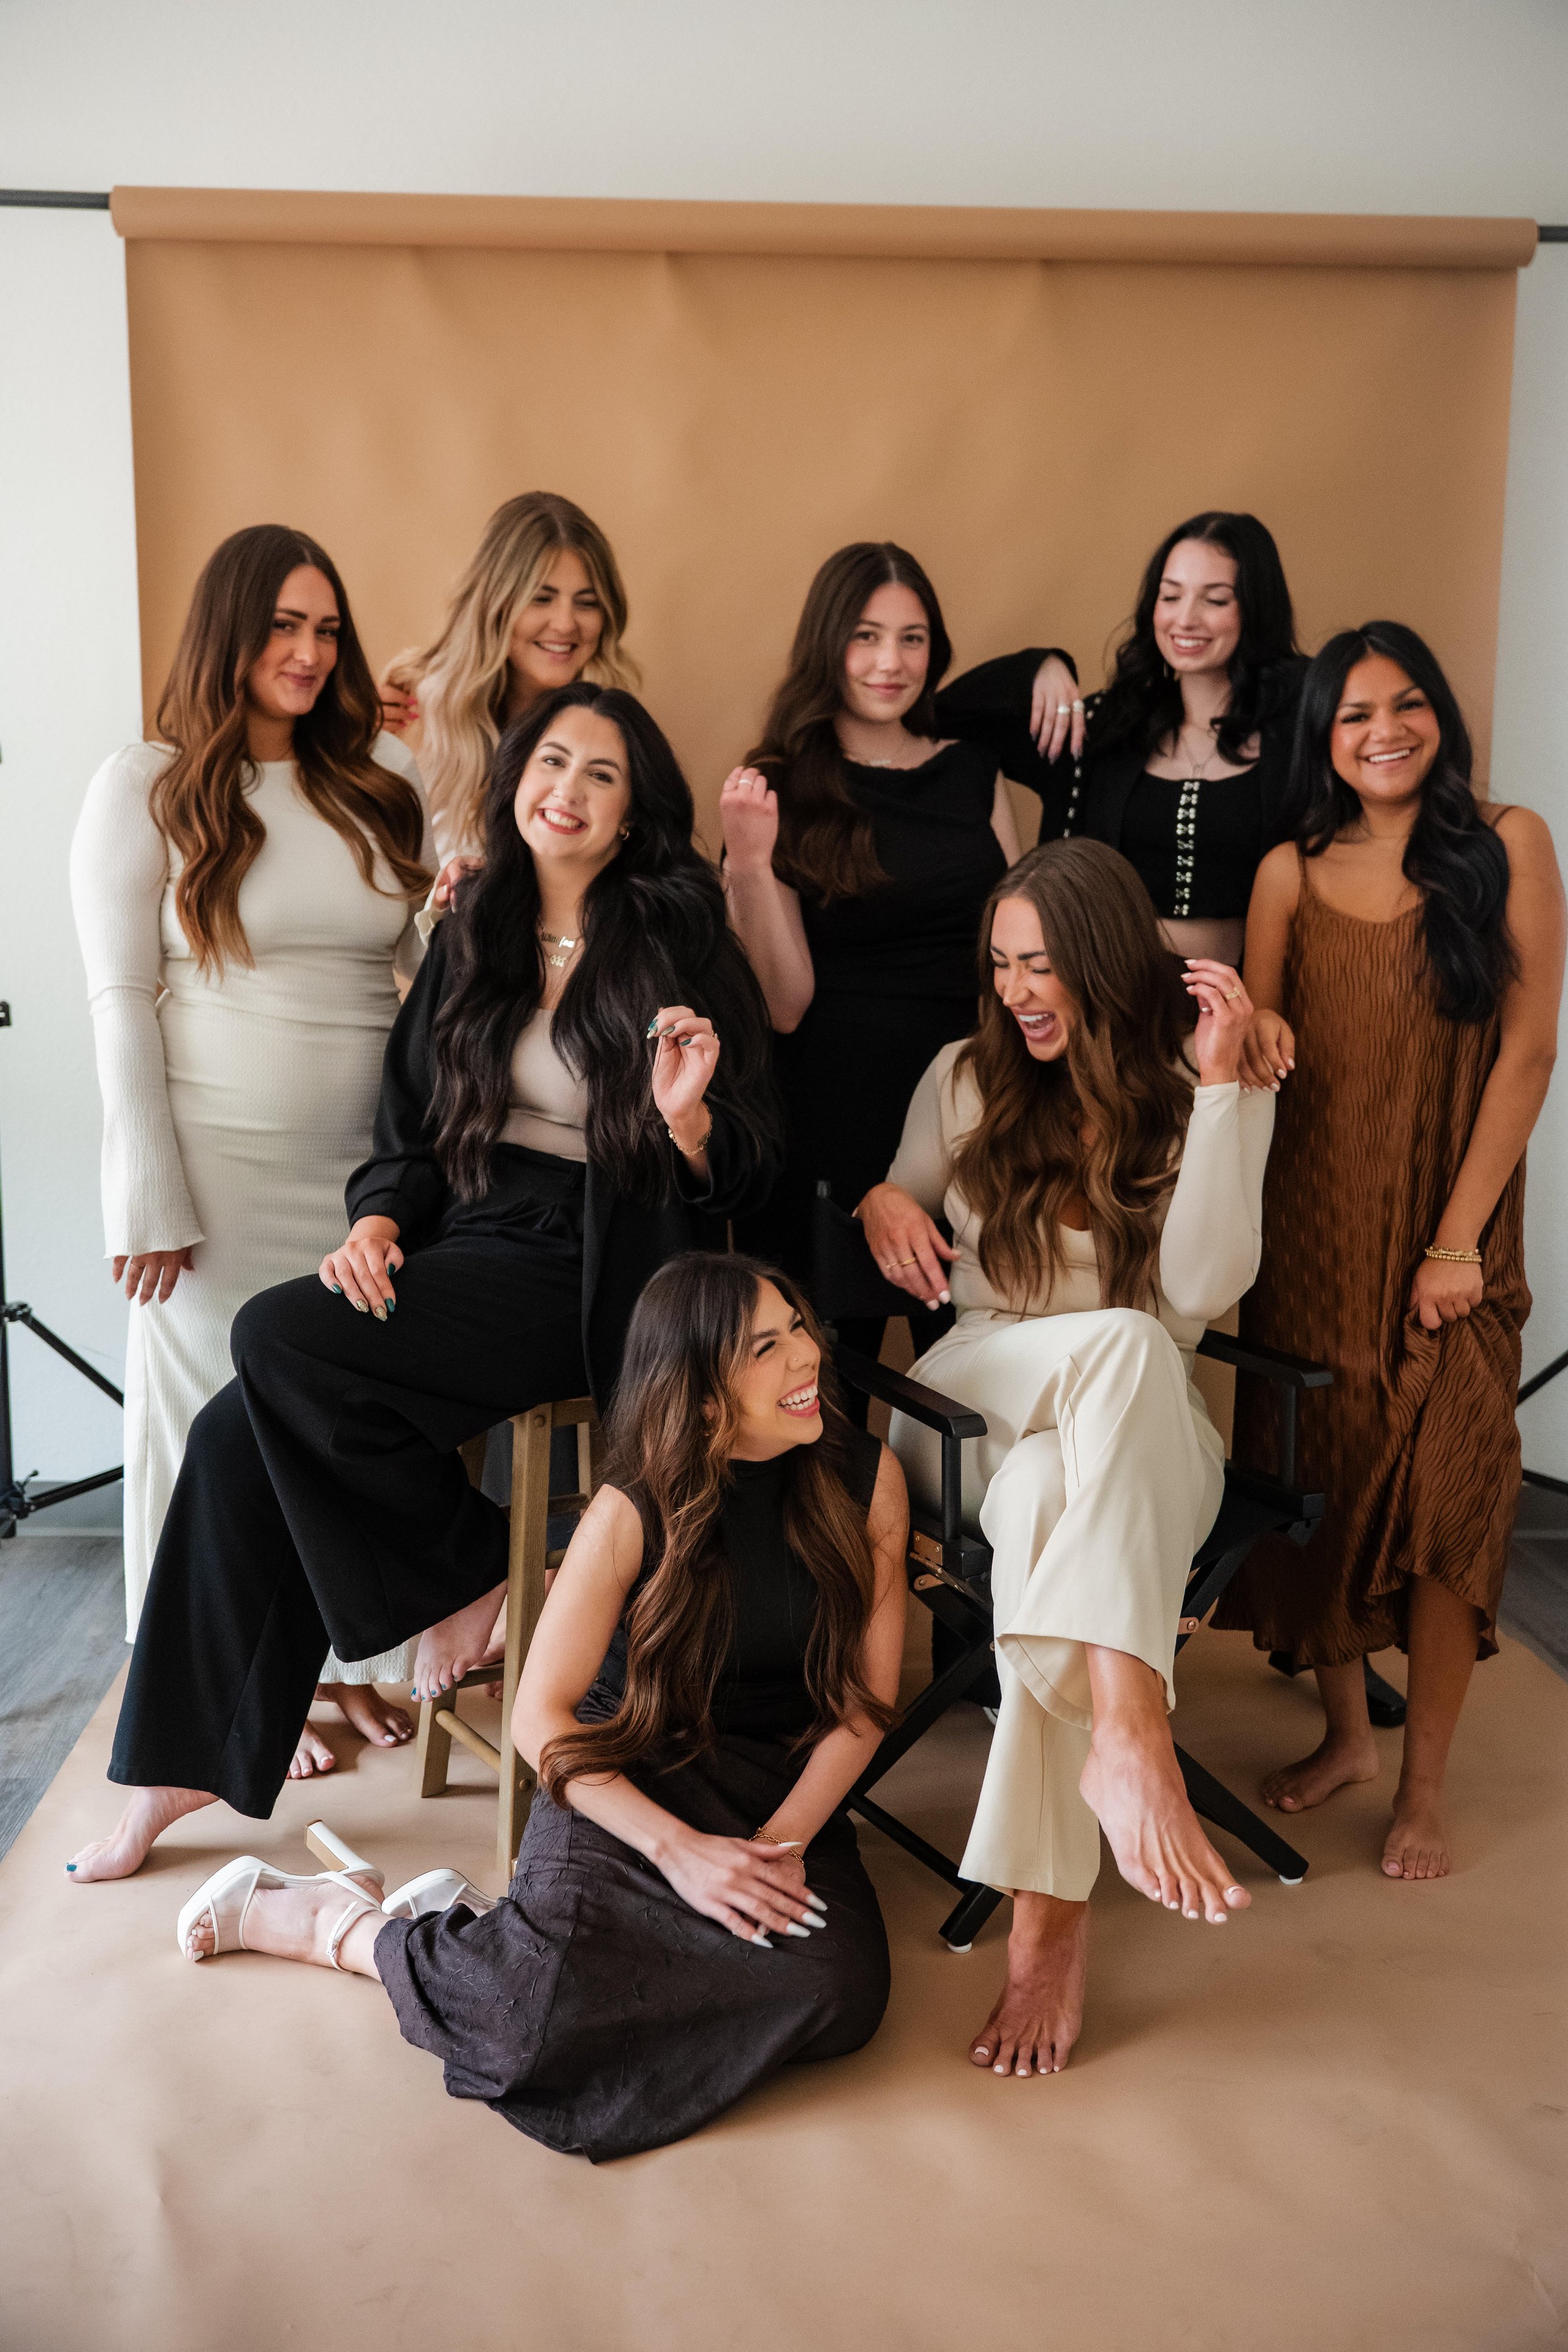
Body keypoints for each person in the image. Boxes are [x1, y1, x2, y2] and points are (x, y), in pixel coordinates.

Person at [65, 684, 780, 1886]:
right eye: (552, 761)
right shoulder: (472, 926)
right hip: (472, 1239)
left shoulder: (680, 933)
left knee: (272, 1338)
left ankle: (465, 1579)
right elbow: (407, 1125)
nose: (570, 790)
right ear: (515, 781)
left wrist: (691, 1122)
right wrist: (382, 1224)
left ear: (629, 810)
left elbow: (757, 1154)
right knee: (246, 1425)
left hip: (603, 1259)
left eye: (602, 775)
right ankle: (185, 1760)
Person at [143, 1256, 908, 2163]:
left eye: (800, 1327)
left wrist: (775, 1850)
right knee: (526, 2028)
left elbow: (863, 1706)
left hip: (779, 1783)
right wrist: (682, 1853)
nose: (807, 1357)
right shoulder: (632, 1506)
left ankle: (507, 1935)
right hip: (628, 1766)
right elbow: (540, 1718)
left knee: (841, 1989)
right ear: (703, 1394)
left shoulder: (866, 1477)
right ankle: (341, 1928)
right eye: (768, 1347)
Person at [857, 839, 1272, 2080]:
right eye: (1000, 966)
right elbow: (898, 1194)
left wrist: (1218, 1093)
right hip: (976, 1391)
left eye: (1040, 963)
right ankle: (1129, 1725)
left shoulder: (1211, 1080)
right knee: (1125, 1353)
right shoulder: (960, 1075)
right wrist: (885, 1197)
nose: (1018, 989)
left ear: (1101, 958)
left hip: (1136, 1434)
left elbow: (1202, 1285)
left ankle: (1046, 1928)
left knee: (1071, 1472)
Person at [70, 524, 434, 1776]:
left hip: (365, 1176)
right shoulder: (147, 783)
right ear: (228, 629)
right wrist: (144, 1191)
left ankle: (330, 1668)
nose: (307, 650)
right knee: (203, 1418)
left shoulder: (384, 771)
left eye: (326, 628)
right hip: (214, 1174)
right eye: (283, 624)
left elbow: (433, 975)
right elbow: (118, 994)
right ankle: (215, 1692)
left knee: (334, 1422)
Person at [1216, 623, 1565, 1880]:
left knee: (1443, 1496)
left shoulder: (1506, 844)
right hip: (1305, 1230)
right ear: (1320, 737)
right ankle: (1347, 1736)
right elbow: (1258, 1045)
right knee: (1324, 1482)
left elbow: (1525, 1051)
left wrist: (1455, 1241)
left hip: (1446, 1236)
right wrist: (1249, 1032)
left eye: (1403, 705)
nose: (1381, 732)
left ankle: (1421, 1788)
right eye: (1352, 714)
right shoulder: (1283, 874)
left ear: (1439, 718)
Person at [722, 539, 1078, 1361]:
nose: (891, 661)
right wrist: (746, 861)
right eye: (866, 636)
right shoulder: (780, 781)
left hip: (971, 1103)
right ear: (827, 646)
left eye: (912, 638)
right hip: (830, 1107)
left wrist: (1049, 664)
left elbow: (1009, 949)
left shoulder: (973, 771)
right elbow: (783, 1001)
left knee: (982, 1357)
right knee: (817, 1369)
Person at [937, 511, 1305, 969]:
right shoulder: (1100, 731)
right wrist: (1039, 666)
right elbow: (944, 715)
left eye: (1215, 600)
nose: (1185, 619)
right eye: (1170, 596)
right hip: (1113, 1011)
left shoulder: (1307, 731)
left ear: (1256, 608)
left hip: (1252, 1012)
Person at [379, 489, 637, 861]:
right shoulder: (412, 708)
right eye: (541, 598)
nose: (565, 624)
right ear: (494, 603)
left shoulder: (610, 732)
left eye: (587, 602)